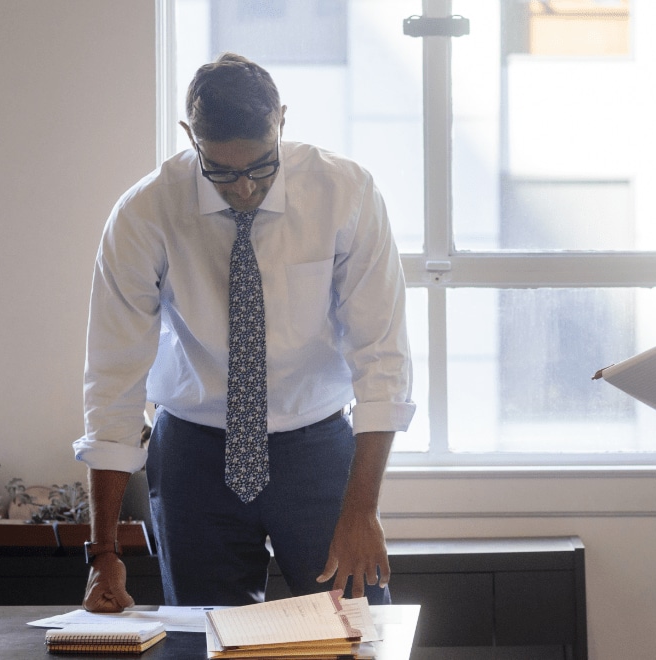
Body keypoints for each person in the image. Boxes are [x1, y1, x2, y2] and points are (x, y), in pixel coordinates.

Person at [74, 53, 415, 612]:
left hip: (318, 450)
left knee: (353, 631)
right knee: (206, 640)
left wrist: (362, 511)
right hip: (193, 455)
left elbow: (383, 360)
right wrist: (103, 552)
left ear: (281, 121)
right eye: (222, 171)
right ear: (190, 137)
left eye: (260, 167)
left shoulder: (344, 192)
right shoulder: (144, 213)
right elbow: (112, 379)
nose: (245, 188)